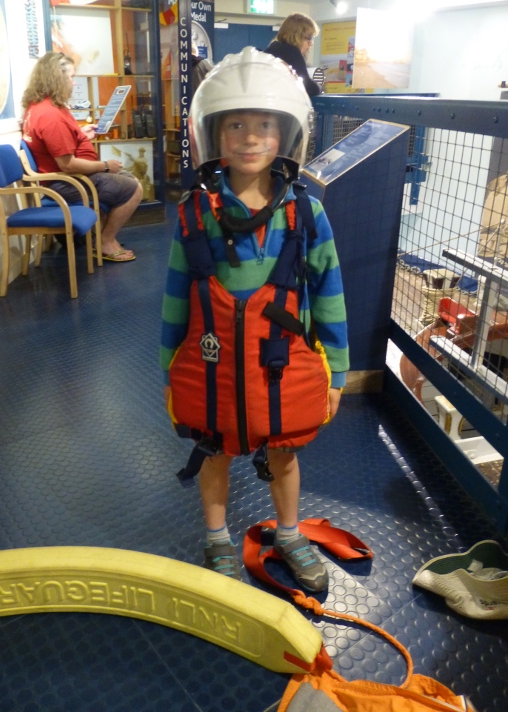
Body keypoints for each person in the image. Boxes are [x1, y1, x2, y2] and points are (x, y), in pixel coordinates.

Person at [160, 47, 349, 591]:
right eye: (236, 124)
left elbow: (330, 293)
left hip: (281, 364)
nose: (249, 137)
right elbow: (177, 297)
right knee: (212, 451)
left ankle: (289, 533)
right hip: (213, 362)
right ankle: (217, 537)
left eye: (264, 125)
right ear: (213, 135)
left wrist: (335, 371)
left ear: (286, 134)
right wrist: (169, 368)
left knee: (284, 453)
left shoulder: (306, 214)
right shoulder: (196, 215)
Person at [21, 52, 143, 262]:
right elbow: (67, 165)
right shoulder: (51, 116)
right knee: (134, 189)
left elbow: (59, 144)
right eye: (71, 77)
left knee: (126, 179)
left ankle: (99, 238)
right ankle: (106, 242)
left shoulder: (40, 107)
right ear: (57, 79)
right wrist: (104, 166)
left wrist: (81, 134)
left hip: (63, 178)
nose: (73, 82)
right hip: (64, 182)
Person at [264, 12, 322, 98]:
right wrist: (319, 87)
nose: (311, 43)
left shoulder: (272, 49)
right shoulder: (291, 52)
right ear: (297, 36)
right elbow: (308, 87)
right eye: (309, 38)